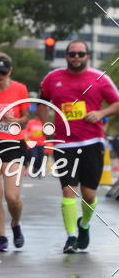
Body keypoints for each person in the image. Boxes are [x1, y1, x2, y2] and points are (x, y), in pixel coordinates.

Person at [39, 39, 119, 253]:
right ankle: (71, 237)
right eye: (72, 54)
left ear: (87, 56)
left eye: (80, 54)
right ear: (66, 56)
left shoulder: (99, 78)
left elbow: (116, 103)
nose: (76, 58)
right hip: (64, 144)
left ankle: (84, 225)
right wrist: (47, 126)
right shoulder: (52, 78)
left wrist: (101, 113)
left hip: (92, 142)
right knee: (68, 190)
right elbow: (42, 103)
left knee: (90, 194)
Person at [0, 53, 30, 251]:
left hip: (13, 144)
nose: (0, 76)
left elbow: (25, 118)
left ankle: (15, 223)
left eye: (3, 73)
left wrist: (16, 121)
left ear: (10, 72)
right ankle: (2, 237)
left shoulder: (20, 89)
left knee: (12, 197)